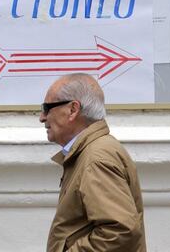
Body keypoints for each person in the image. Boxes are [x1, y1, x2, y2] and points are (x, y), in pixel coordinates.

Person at [40, 73, 146, 252]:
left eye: (47, 108)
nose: (42, 117)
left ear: (73, 109)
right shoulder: (90, 152)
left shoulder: (96, 158)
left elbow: (120, 231)